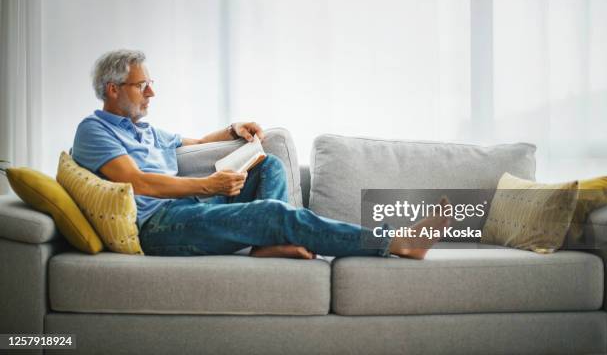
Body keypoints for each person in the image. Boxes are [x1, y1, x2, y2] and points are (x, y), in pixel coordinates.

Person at [72, 49, 450, 260]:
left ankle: (268, 243)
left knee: (266, 163)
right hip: (159, 227)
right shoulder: (94, 131)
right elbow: (136, 182)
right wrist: (206, 186)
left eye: (151, 85)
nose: (151, 94)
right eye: (142, 86)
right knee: (273, 212)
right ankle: (395, 242)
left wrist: (234, 130)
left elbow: (194, 142)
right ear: (112, 89)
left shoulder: (145, 129)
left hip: (189, 210)